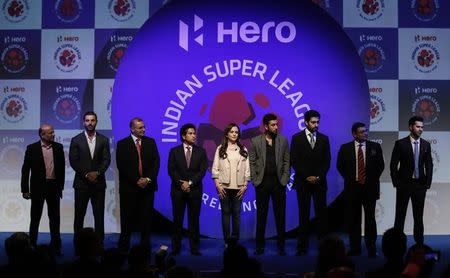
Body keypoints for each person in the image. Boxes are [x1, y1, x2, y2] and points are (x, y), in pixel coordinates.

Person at [337, 122, 384, 257]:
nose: (365, 133)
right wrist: (351, 179)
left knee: (370, 219)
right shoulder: (345, 148)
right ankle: (355, 248)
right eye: (362, 132)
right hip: (353, 189)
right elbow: (340, 166)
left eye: (366, 131)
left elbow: (380, 166)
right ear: (354, 134)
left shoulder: (375, 147)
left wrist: (370, 180)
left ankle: (371, 248)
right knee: (354, 220)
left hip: (370, 189)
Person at [116, 117, 160, 252]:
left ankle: (145, 246)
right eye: (140, 128)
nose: (144, 130)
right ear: (132, 129)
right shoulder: (122, 144)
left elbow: (155, 163)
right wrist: (136, 180)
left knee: (146, 219)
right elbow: (121, 166)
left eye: (144, 127)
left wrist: (147, 179)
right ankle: (124, 246)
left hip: (147, 188)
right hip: (129, 188)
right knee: (127, 219)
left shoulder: (150, 142)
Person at [290, 109, 331, 255]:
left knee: (321, 216)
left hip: (320, 183)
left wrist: (318, 177)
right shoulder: (296, 138)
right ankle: (302, 247)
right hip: (303, 183)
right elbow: (294, 160)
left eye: (318, 122)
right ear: (306, 122)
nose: (316, 125)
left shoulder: (324, 139)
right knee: (303, 216)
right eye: (313, 122)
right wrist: (307, 176)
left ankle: (324, 249)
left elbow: (327, 161)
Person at [249, 113, 290, 256]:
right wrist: (255, 180)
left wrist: (284, 180)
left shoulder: (283, 140)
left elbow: (286, 162)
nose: (276, 127)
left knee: (280, 216)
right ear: (265, 126)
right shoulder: (255, 141)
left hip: (279, 183)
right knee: (261, 215)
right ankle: (259, 246)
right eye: (273, 125)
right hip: (262, 183)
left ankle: (281, 246)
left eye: (277, 124)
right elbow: (252, 162)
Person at [20, 124, 65, 256]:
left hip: (54, 188)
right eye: (50, 133)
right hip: (38, 188)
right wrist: (25, 190)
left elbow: (61, 169)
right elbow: (25, 171)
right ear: (42, 134)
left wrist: (60, 187)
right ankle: (32, 245)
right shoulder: (32, 148)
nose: (53, 134)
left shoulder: (58, 147)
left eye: (53, 132)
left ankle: (56, 246)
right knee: (35, 218)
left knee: (55, 219)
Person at [69, 111, 111, 242]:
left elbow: (106, 159)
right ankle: (78, 243)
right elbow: (73, 161)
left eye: (92, 120)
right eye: (87, 120)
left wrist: (97, 173)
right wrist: (87, 174)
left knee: (99, 216)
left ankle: (100, 243)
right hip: (81, 184)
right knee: (79, 216)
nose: (90, 123)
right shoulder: (76, 140)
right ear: (83, 122)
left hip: (98, 184)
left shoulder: (104, 139)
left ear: (96, 122)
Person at [391, 115, 433, 245]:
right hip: (404, 185)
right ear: (411, 127)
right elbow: (393, 165)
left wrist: (427, 183)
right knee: (400, 215)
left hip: (419, 185)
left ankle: (419, 244)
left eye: (422, 127)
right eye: (418, 126)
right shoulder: (400, 143)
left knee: (418, 216)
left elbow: (429, 165)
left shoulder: (426, 144)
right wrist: (397, 183)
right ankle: (396, 244)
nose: (420, 129)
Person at [168, 123, 207, 256]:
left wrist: (189, 183)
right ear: (183, 136)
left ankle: (194, 248)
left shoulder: (201, 151)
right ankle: (176, 247)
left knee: (194, 220)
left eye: (194, 133)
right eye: (190, 133)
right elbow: (171, 171)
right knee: (177, 220)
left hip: (195, 190)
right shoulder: (174, 151)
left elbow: (202, 171)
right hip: (178, 191)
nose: (194, 135)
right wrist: (182, 184)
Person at [212, 123, 250, 243]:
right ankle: (227, 242)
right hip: (224, 187)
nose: (234, 134)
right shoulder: (220, 148)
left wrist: (245, 185)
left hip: (239, 187)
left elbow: (247, 170)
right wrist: (217, 185)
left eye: (236, 132)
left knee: (237, 215)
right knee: (225, 214)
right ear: (227, 134)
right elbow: (215, 169)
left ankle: (235, 241)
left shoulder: (243, 149)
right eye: (232, 132)